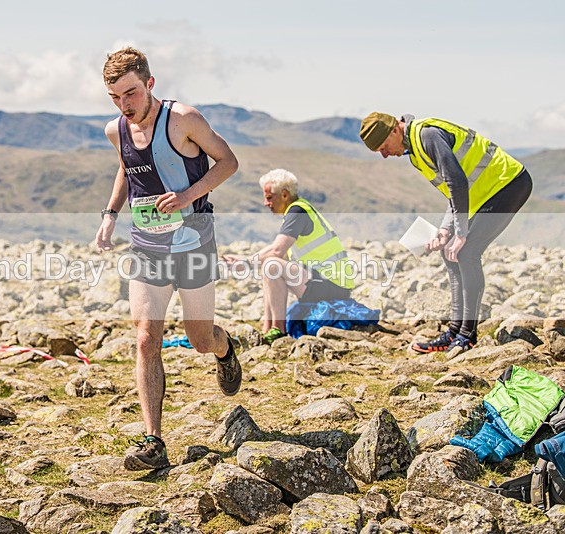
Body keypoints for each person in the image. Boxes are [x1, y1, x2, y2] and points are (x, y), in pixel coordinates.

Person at [95, 47, 242, 471]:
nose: (126, 105)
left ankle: (224, 347)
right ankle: (153, 442)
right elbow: (127, 166)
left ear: (150, 84)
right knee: (145, 337)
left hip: (194, 237)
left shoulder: (183, 119)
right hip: (147, 244)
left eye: (132, 94)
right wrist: (110, 216)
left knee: (199, 339)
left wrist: (187, 196)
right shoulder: (115, 130)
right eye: (116, 98)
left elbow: (229, 161)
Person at [359, 113, 533, 353]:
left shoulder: (427, 135)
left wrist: (460, 232)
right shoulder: (416, 153)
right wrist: (445, 230)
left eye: (384, 147)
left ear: (394, 131)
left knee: (467, 251)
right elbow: (453, 193)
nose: (385, 155)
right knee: (450, 253)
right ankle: (454, 331)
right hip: (486, 195)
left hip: (509, 184)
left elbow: (457, 182)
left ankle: (467, 336)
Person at [223, 169, 354, 343]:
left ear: (284, 195)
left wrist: (245, 263)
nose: (265, 203)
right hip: (328, 282)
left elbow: (276, 251)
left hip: (332, 285)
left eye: (269, 198)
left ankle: (278, 329)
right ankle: (267, 328)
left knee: (272, 266)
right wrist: (244, 260)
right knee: (270, 266)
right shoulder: (299, 210)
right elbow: (279, 253)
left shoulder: (297, 212)